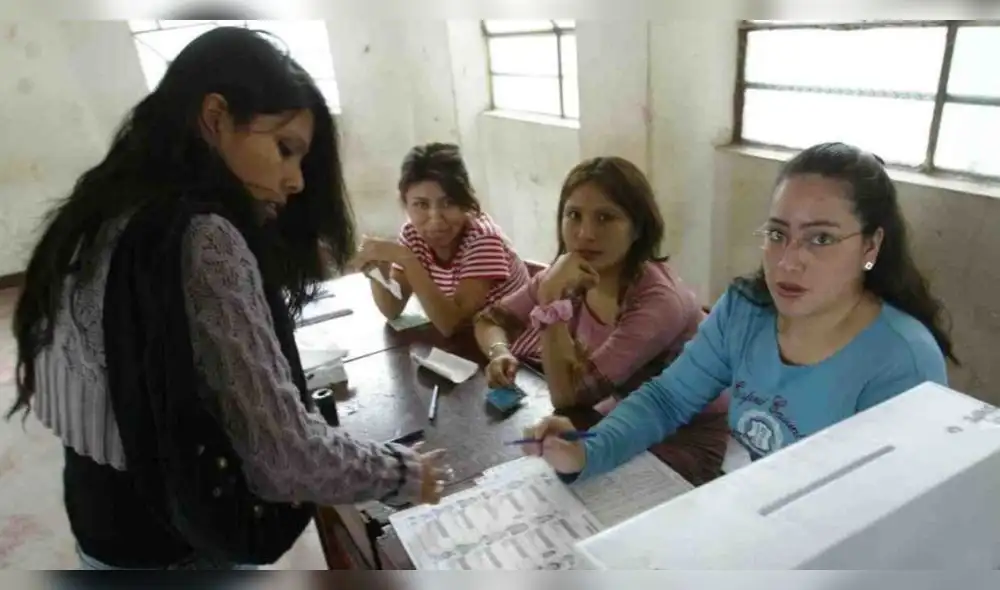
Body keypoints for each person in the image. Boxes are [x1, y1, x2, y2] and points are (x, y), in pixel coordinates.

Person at [7, 27, 447, 570]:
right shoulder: (204, 237)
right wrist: (401, 474)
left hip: (99, 520)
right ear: (215, 119)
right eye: (285, 150)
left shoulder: (102, 208)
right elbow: (285, 458)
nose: (295, 182)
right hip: (174, 542)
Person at [522, 142, 956, 482]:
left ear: (871, 246)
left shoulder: (902, 363)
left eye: (820, 239)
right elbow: (668, 398)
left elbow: (891, 515)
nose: (788, 261)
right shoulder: (745, 312)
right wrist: (588, 449)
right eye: (778, 234)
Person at [475, 157, 730, 484]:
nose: (585, 233)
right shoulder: (567, 275)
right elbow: (489, 320)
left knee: (582, 495)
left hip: (684, 436)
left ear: (638, 228)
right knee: (543, 477)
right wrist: (500, 352)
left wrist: (551, 303)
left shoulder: (658, 301)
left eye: (606, 218)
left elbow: (569, 397)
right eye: (573, 215)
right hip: (622, 415)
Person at [354, 143, 530, 337]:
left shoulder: (483, 240)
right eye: (421, 204)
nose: (436, 219)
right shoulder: (413, 234)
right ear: (405, 204)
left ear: (465, 202)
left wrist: (407, 259)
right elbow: (392, 309)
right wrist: (375, 270)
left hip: (516, 349)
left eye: (448, 203)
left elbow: (452, 325)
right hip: (475, 346)